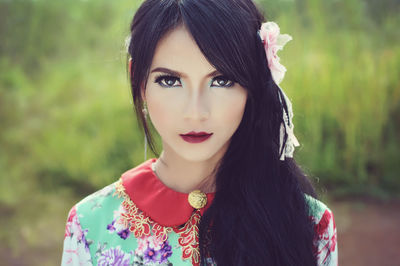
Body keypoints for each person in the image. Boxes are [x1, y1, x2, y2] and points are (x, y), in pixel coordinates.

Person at [61, 0, 338, 265]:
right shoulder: (89, 226)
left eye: (221, 80)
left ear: (253, 84)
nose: (196, 111)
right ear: (139, 81)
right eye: (170, 80)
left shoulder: (310, 225)